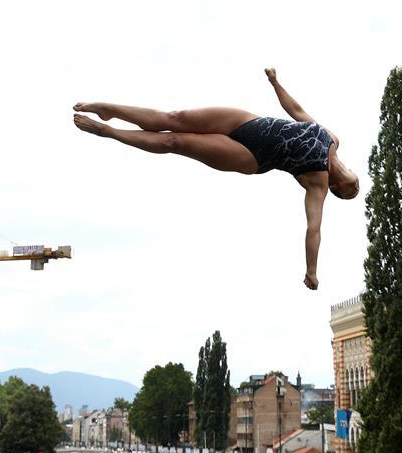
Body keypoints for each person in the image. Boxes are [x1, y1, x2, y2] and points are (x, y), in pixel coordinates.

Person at [73, 68, 360, 291]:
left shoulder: (317, 182)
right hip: (249, 122)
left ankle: (107, 132)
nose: (356, 188)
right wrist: (275, 83)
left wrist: (312, 270)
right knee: (175, 117)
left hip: (250, 156)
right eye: (357, 187)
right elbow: (296, 111)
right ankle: (109, 109)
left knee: (177, 142)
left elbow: (314, 229)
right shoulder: (333, 138)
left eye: (350, 194)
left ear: (336, 188)